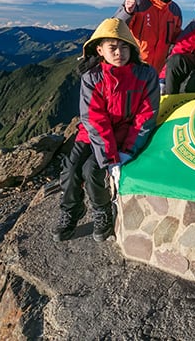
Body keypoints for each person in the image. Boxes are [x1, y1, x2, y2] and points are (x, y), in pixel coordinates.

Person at [52, 18, 160, 243]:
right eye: (112, 47)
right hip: (93, 133)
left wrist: (127, 150)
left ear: (132, 48)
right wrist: (110, 157)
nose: (119, 52)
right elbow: (94, 119)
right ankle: (72, 210)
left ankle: (102, 210)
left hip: (123, 134)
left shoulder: (146, 75)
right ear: (100, 50)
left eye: (123, 46)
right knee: (71, 169)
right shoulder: (92, 77)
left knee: (93, 170)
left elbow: (146, 116)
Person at [114, 0, 182, 72]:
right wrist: (127, 12)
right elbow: (114, 28)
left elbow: (176, 38)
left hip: (158, 73)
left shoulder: (175, 11)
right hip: (133, 68)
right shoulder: (137, 1)